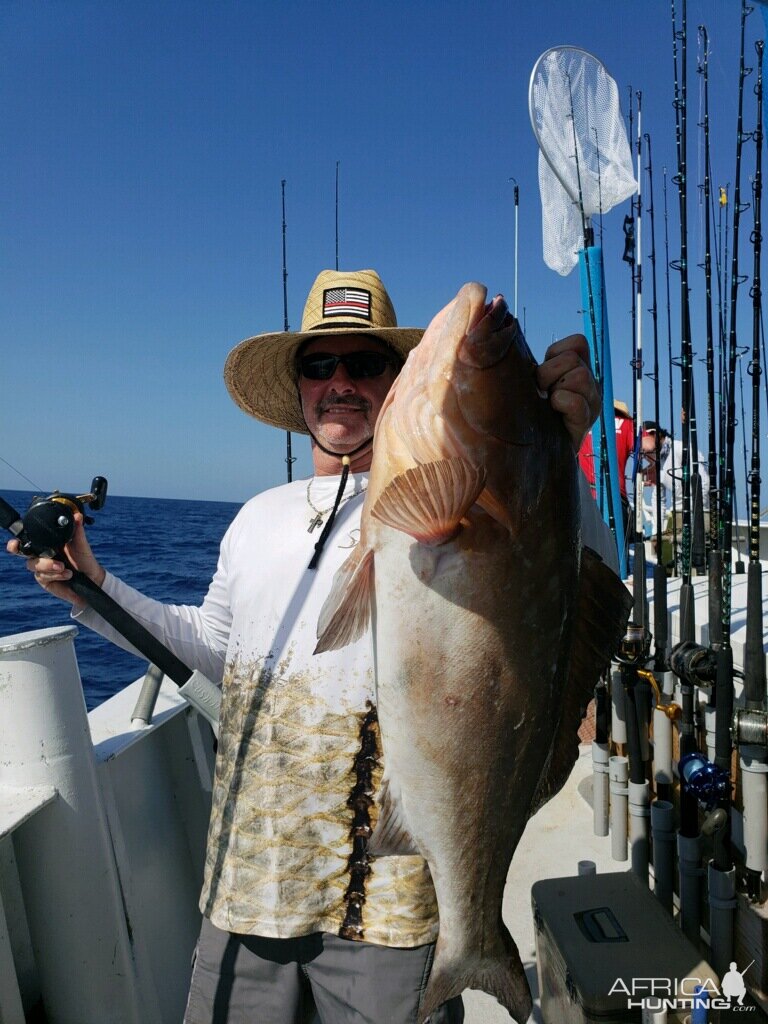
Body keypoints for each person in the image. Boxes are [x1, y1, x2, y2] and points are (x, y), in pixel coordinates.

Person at [8, 268, 612, 1024]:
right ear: (297, 388)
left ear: (399, 378)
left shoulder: (476, 496)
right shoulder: (257, 518)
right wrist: (90, 589)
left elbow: (560, 587)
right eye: (318, 365)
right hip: (247, 888)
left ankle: (472, 942)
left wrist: (555, 453)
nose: (340, 383)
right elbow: (212, 649)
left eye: (363, 363)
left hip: (392, 911)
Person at [577, 399, 636, 537]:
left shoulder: (581, 422)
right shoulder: (627, 425)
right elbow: (649, 446)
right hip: (615, 500)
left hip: (583, 498)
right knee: (615, 553)